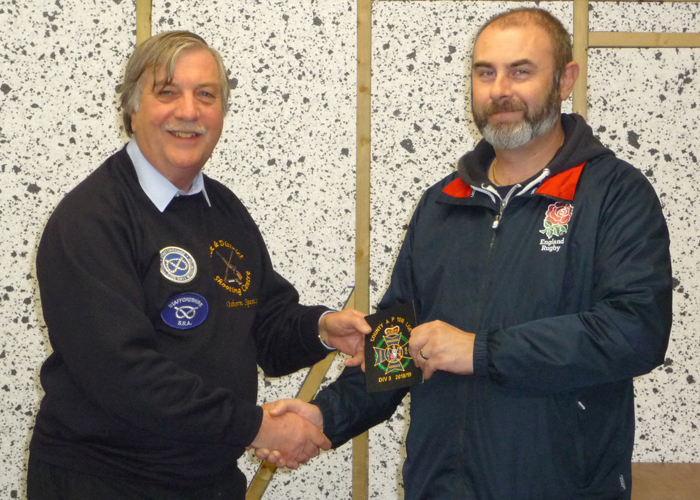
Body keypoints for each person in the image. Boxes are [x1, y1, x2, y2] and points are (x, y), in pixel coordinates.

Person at [259, 8, 673, 499]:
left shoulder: (614, 194)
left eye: (521, 71)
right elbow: (398, 348)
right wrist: (326, 416)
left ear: (565, 80)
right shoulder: (442, 202)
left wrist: (478, 351)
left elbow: (635, 332)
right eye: (485, 73)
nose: (501, 89)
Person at [27, 31, 370, 500]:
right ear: (132, 107)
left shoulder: (224, 210)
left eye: (205, 95)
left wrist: (323, 329)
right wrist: (256, 428)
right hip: (107, 480)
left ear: (222, 113)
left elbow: (264, 322)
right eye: (167, 92)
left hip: (206, 478)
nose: (188, 111)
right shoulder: (92, 219)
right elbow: (124, 373)